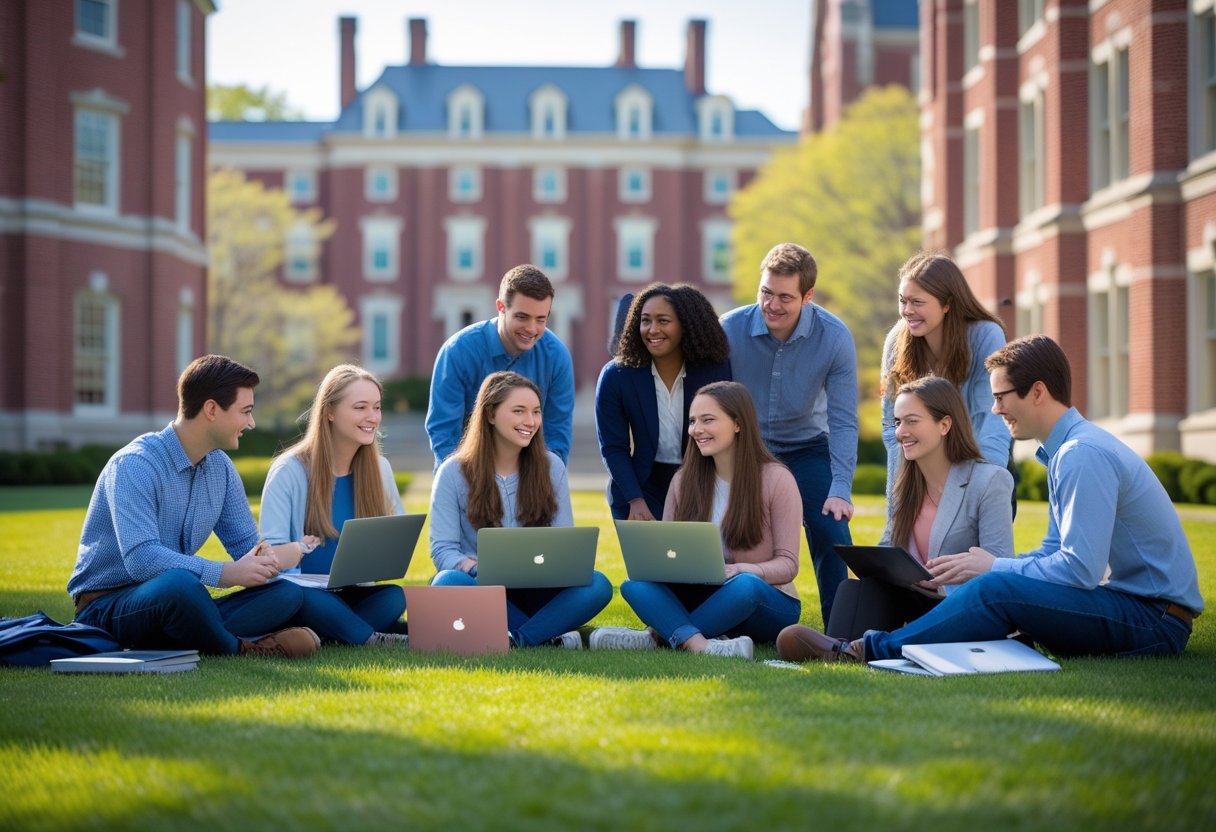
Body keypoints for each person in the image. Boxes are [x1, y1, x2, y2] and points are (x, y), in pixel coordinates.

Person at [777, 335, 1203, 664]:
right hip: (1138, 608)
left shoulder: (1081, 455)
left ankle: (867, 650)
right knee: (999, 584)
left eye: (1001, 396)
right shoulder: (1067, 451)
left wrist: (994, 566)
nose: (995, 410)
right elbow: (1057, 552)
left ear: (1037, 392)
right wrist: (999, 571)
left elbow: (1079, 570)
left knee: (996, 585)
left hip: (1154, 620)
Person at [67, 355, 319, 658]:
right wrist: (225, 573)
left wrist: (269, 561)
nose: (251, 423)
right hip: (108, 606)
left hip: (177, 602)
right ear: (211, 409)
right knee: (179, 585)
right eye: (246, 411)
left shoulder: (221, 469)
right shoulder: (135, 465)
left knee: (285, 593)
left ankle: (184, 637)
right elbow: (142, 559)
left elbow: (246, 547)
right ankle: (240, 648)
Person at [590, 381, 803, 659]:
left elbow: (788, 565)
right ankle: (698, 643)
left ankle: (659, 637)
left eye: (708, 420)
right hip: (701, 595)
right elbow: (665, 557)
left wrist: (742, 569)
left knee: (745, 585)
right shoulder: (683, 481)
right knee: (636, 585)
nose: (696, 430)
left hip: (763, 600)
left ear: (738, 423)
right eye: (692, 421)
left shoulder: (777, 479)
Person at [719, 242, 857, 625]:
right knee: (720, 534)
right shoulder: (728, 330)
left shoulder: (834, 338)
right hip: (744, 449)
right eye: (766, 293)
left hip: (807, 448)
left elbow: (844, 420)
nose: (772, 305)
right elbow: (709, 404)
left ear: (807, 296)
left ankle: (840, 631)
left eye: (784, 297)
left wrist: (840, 487)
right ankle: (713, 617)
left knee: (831, 530)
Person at [428, 371, 612, 648]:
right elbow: (443, 548)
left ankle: (519, 637)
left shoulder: (552, 467)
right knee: (446, 582)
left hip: (541, 589)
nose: (530, 421)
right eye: (519, 411)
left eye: (536, 412)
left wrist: (558, 567)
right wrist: (472, 566)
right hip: (483, 588)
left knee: (598, 585)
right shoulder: (453, 472)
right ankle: (548, 631)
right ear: (490, 414)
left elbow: (565, 544)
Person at [825, 375, 1013, 641]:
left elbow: (999, 568)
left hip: (960, 607)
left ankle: (862, 648)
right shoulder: (906, 486)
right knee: (855, 589)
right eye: (898, 422)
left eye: (912, 421)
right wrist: (876, 563)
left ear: (945, 424)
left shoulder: (990, 481)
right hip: (913, 601)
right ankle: (837, 650)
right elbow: (889, 546)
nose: (901, 432)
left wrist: (942, 584)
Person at [259, 365, 409, 647]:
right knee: (310, 600)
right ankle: (368, 637)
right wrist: (297, 551)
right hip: (303, 594)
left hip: (352, 592)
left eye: (376, 407)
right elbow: (271, 558)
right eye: (360, 407)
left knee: (394, 596)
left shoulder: (380, 468)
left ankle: (335, 633)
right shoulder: (289, 471)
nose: (372, 417)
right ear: (329, 412)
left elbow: (393, 538)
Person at [881, 251, 1011, 508]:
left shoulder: (985, 336)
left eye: (917, 302)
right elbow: (891, 424)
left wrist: (984, 491)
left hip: (978, 461)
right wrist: (899, 498)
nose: (907, 311)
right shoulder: (897, 340)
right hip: (920, 469)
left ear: (947, 304)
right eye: (902, 301)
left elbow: (992, 416)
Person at [595, 283, 732, 521]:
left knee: (699, 559)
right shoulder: (616, 376)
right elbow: (613, 447)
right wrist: (634, 500)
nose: (652, 329)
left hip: (700, 481)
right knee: (649, 559)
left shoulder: (713, 370)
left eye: (663, 321)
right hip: (641, 488)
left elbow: (724, 434)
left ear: (685, 325)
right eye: (645, 320)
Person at [426, 264, 575, 467]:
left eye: (541, 319)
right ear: (501, 307)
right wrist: (465, 484)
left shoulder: (557, 358)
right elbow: (444, 434)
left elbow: (556, 437)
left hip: (529, 477)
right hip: (467, 472)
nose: (531, 329)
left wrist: (538, 488)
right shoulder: (457, 352)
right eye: (522, 317)